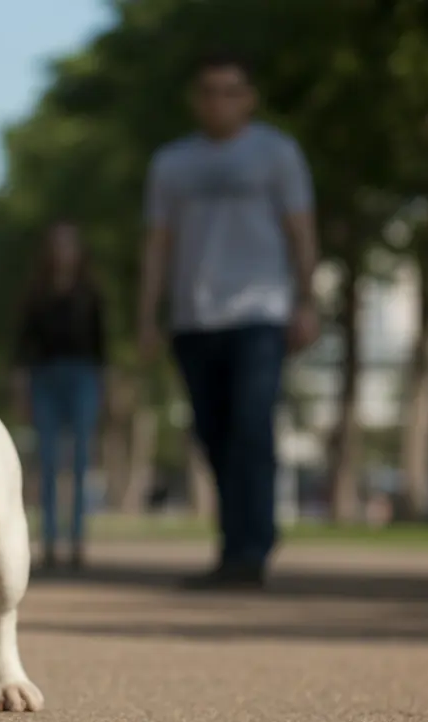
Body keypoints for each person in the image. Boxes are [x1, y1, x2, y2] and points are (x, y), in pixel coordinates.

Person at [137, 51, 319, 590]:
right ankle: (234, 544)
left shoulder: (277, 154)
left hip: (261, 313)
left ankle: (250, 549)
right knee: (213, 435)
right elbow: (157, 244)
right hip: (195, 318)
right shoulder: (172, 164)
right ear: (197, 100)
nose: (221, 101)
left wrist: (307, 301)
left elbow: (301, 231)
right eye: (211, 91)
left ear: (250, 97)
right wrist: (148, 315)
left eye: (232, 90)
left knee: (250, 428)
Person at [11, 221, 106, 571]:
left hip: (82, 376)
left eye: (70, 245)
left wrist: (105, 389)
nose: (64, 252)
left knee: (81, 461)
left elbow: (101, 348)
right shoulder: (36, 294)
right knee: (48, 461)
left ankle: (77, 540)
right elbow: (22, 347)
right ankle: (49, 541)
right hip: (45, 378)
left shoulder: (90, 293)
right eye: (58, 245)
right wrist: (22, 388)